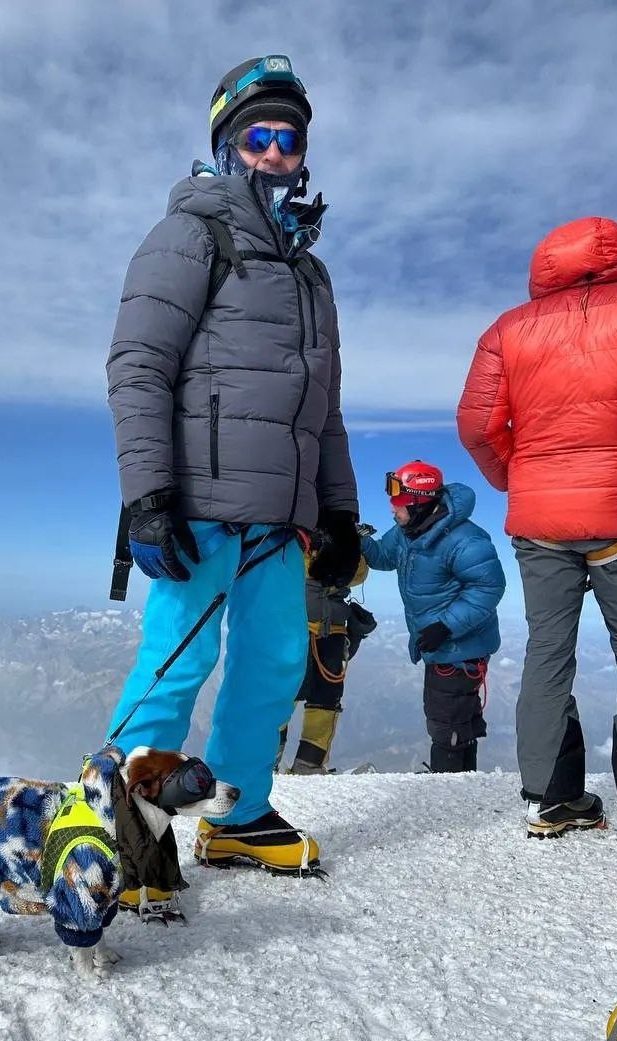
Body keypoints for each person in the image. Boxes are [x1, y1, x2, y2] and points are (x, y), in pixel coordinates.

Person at [105, 55, 359, 886]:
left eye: (290, 139)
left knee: (274, 664)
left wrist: (339, 512)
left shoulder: (309, 273)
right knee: (177, 664)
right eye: (258, 136)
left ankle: (237, 815)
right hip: (201, 506)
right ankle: (124, 832)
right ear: (225, 145)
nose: (275, 152)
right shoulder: (193, 233)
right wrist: (148, 496)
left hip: (281, 519)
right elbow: (138, 365)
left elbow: (324, 410)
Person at [458, 216, 617, 842]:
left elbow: (476, 426)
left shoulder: (507, 329)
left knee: (547, 654)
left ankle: (548, 802)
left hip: (540, 523)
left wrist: (519, 478)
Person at [361, 461, 505, 772]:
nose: (392, 509)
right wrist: (356, 537)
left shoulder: (465, 540)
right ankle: (463, 783)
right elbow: (383, 557)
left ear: (419, 502)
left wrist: (445, 626)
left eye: (399, 502)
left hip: (459, 648)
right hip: (440, 644)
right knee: (456, 722)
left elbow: (489, 587)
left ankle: (447, 786)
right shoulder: (408, 531)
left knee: (446, 725)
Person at [277, 546, 375, 775]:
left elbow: (359, 572)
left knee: (326, 699)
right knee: (283, 696)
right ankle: (265, 761)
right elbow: (290, 567)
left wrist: (336, 558)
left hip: (332, 630)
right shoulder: (294, 537)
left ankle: (308, 764)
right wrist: (327, 565)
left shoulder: (342, 538)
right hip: (296, 628)